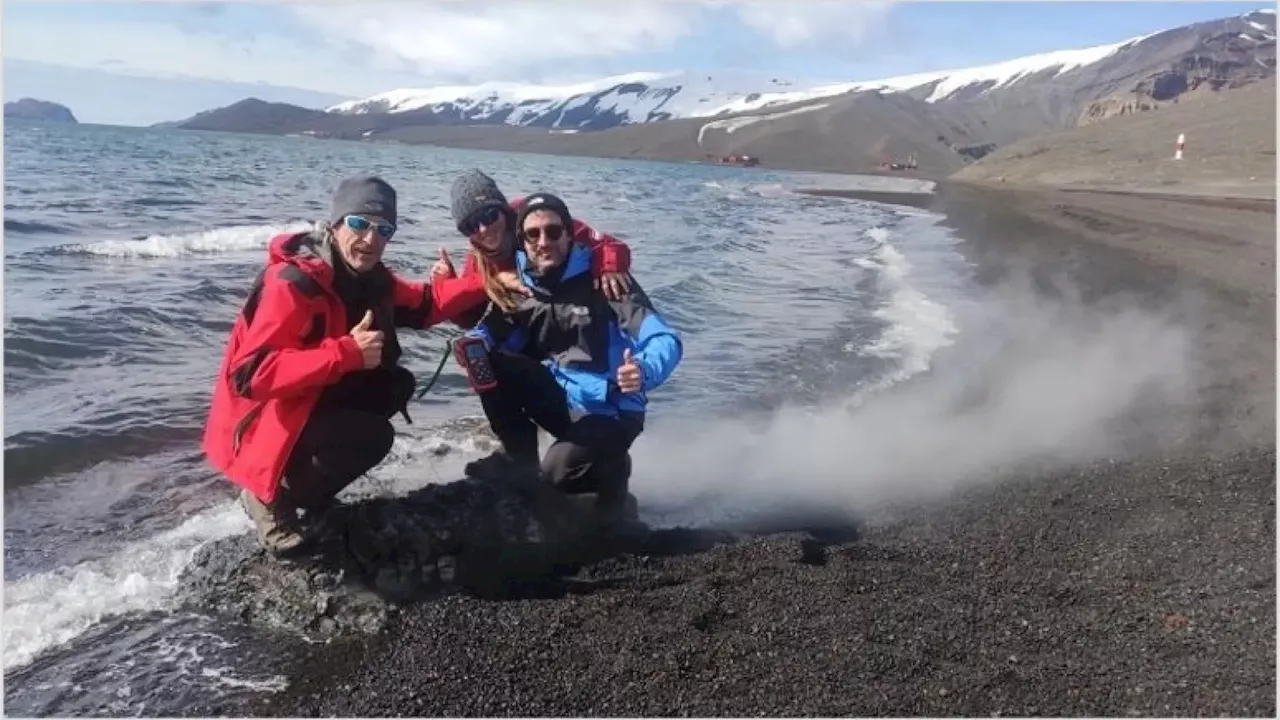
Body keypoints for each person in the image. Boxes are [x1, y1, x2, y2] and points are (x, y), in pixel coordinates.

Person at [202, 174, 525, 555]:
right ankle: (267, 496)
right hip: (259, 424)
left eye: (384, 230)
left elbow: (424, 305)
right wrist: (345, 354)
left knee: (392, 386)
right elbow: (249, 375)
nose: (371, 239)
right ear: (336, 223)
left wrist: (488, 281)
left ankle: (310, 494)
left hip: (303, 404)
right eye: (360, 224)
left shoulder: (371, 278)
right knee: (372, 436)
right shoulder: (292, 284)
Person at [457, 191, 683, 520]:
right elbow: (491, 330)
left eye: (553, 231)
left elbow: (665, 339)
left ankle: (615, 476)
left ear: (568, 233)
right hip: (562, 401)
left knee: (559, 475)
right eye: (533, 234)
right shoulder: (521, 286)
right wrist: (471, 342)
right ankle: (519, 461)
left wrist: (644, 370)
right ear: (522, 241)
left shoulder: (606, 282)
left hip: (612, 410)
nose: (543, 241)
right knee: (486, 359)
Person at [430, 169, 634, 330]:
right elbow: (469, 320)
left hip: (574, 309)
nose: (484, 229)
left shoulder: (535, 219)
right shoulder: (478, 260)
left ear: (504, 212)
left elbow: (607, 243)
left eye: (489, 216)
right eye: (471, 226)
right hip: (533, 326)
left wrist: (609, 266)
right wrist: (448, 284)